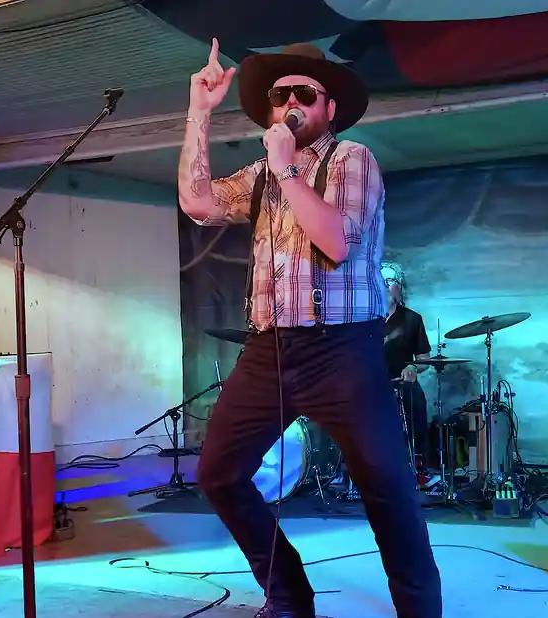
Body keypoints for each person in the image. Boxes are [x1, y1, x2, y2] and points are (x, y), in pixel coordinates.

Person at [178, 39, 442, 618]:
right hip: (270, 348)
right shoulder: (259, 176)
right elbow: (197, 202)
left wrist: (287, 171)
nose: (290, 103)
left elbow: (335, 241)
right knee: (218, 473)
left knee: (388, 492)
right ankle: (289, 593)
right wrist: (199, 112)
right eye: (280, 95)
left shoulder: (352, 160)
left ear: (329, 109)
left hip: (342, 351)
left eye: (305, 94)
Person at [381, 261, 441, 489]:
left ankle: (419, 471)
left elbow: (424, 358)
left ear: (400, 288)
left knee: (416, 404)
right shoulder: (364, 319)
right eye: (381, 281)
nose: (386, 286)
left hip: (402, 385)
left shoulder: (412, 319)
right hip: (373, 386)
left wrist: (414, 368)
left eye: (391, 281)